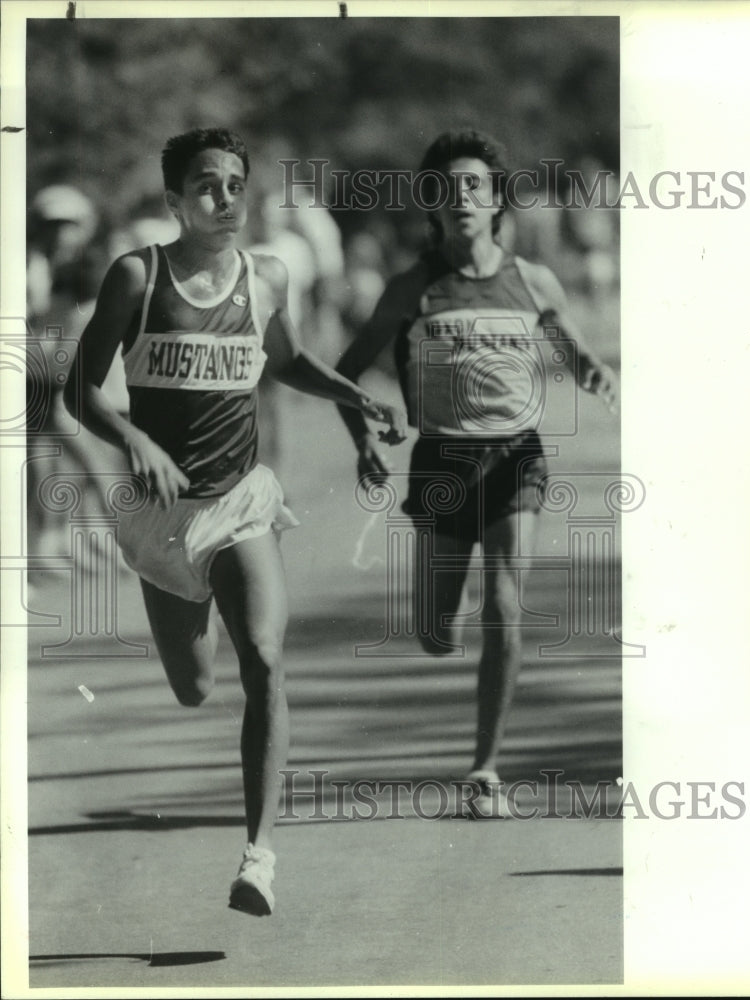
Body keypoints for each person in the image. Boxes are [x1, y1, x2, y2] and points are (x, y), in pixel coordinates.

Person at [63, 127, 405, 915]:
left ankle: (259, 858)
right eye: (207, 186)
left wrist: (357, 396)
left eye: (234, 185)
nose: (224, 199)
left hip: (239, 501)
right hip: (161, 517)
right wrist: (135, 438)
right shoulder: (136, 278)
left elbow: (283, 362)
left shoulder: (270, 276)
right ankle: (202, 617)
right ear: (174, 201)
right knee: (195, 686)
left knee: (265, 655)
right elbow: (79, 388)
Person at [335, 129, 616, 818]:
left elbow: (578, 354)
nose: (461, 197)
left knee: (505, 607)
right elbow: (346, 372)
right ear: (432, 204)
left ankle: (484, 770)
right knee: (437, 635)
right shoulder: (413, 288)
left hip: (515, 456)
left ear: (495, 202)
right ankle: (442, 620)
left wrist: (595, 373)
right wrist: (364, 440)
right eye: (447, 188)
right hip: (441, 462)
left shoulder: (531, 280)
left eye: (474, 187)